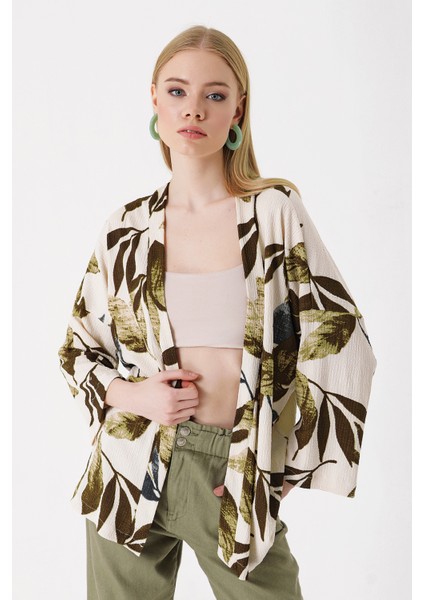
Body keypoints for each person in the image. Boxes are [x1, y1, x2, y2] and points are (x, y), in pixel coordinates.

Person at [58, 25, 377, 599]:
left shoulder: (273, 213)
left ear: (238, 109)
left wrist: (282, 468)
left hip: (230, 469)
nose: (194, 109)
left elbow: (341, 337)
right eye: (177, 91)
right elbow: (76, 350)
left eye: (215, 94)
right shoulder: (125, 229)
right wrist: (136, 395)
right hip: (129, 460)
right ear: (155, 99)